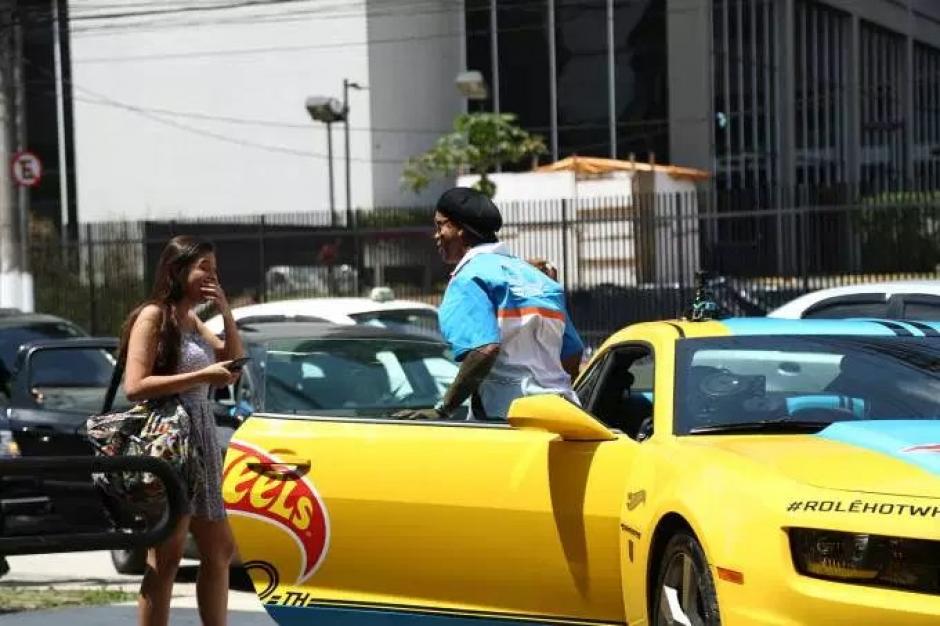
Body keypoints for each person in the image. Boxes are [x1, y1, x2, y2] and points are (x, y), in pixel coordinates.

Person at [120, 235, 244, 626]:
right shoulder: (154, 315)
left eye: (215, 267)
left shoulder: (191, 319)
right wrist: (201, 374)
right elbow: (134, 386)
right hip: (169, 440)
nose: (212, 275)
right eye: (204, 266)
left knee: (219, 549)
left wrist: (225, 312)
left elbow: (231, 363)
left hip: (202, 436)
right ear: (176, 270)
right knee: (167, 555)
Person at [401, 187, 584, 420]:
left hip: (506, 419)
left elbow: (484, 349)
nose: (436, 235)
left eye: (440, 226)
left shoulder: (469, 278)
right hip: (564, 413)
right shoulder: (539, 279)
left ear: (460, 230)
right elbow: (572, 351)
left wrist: (443, 409)